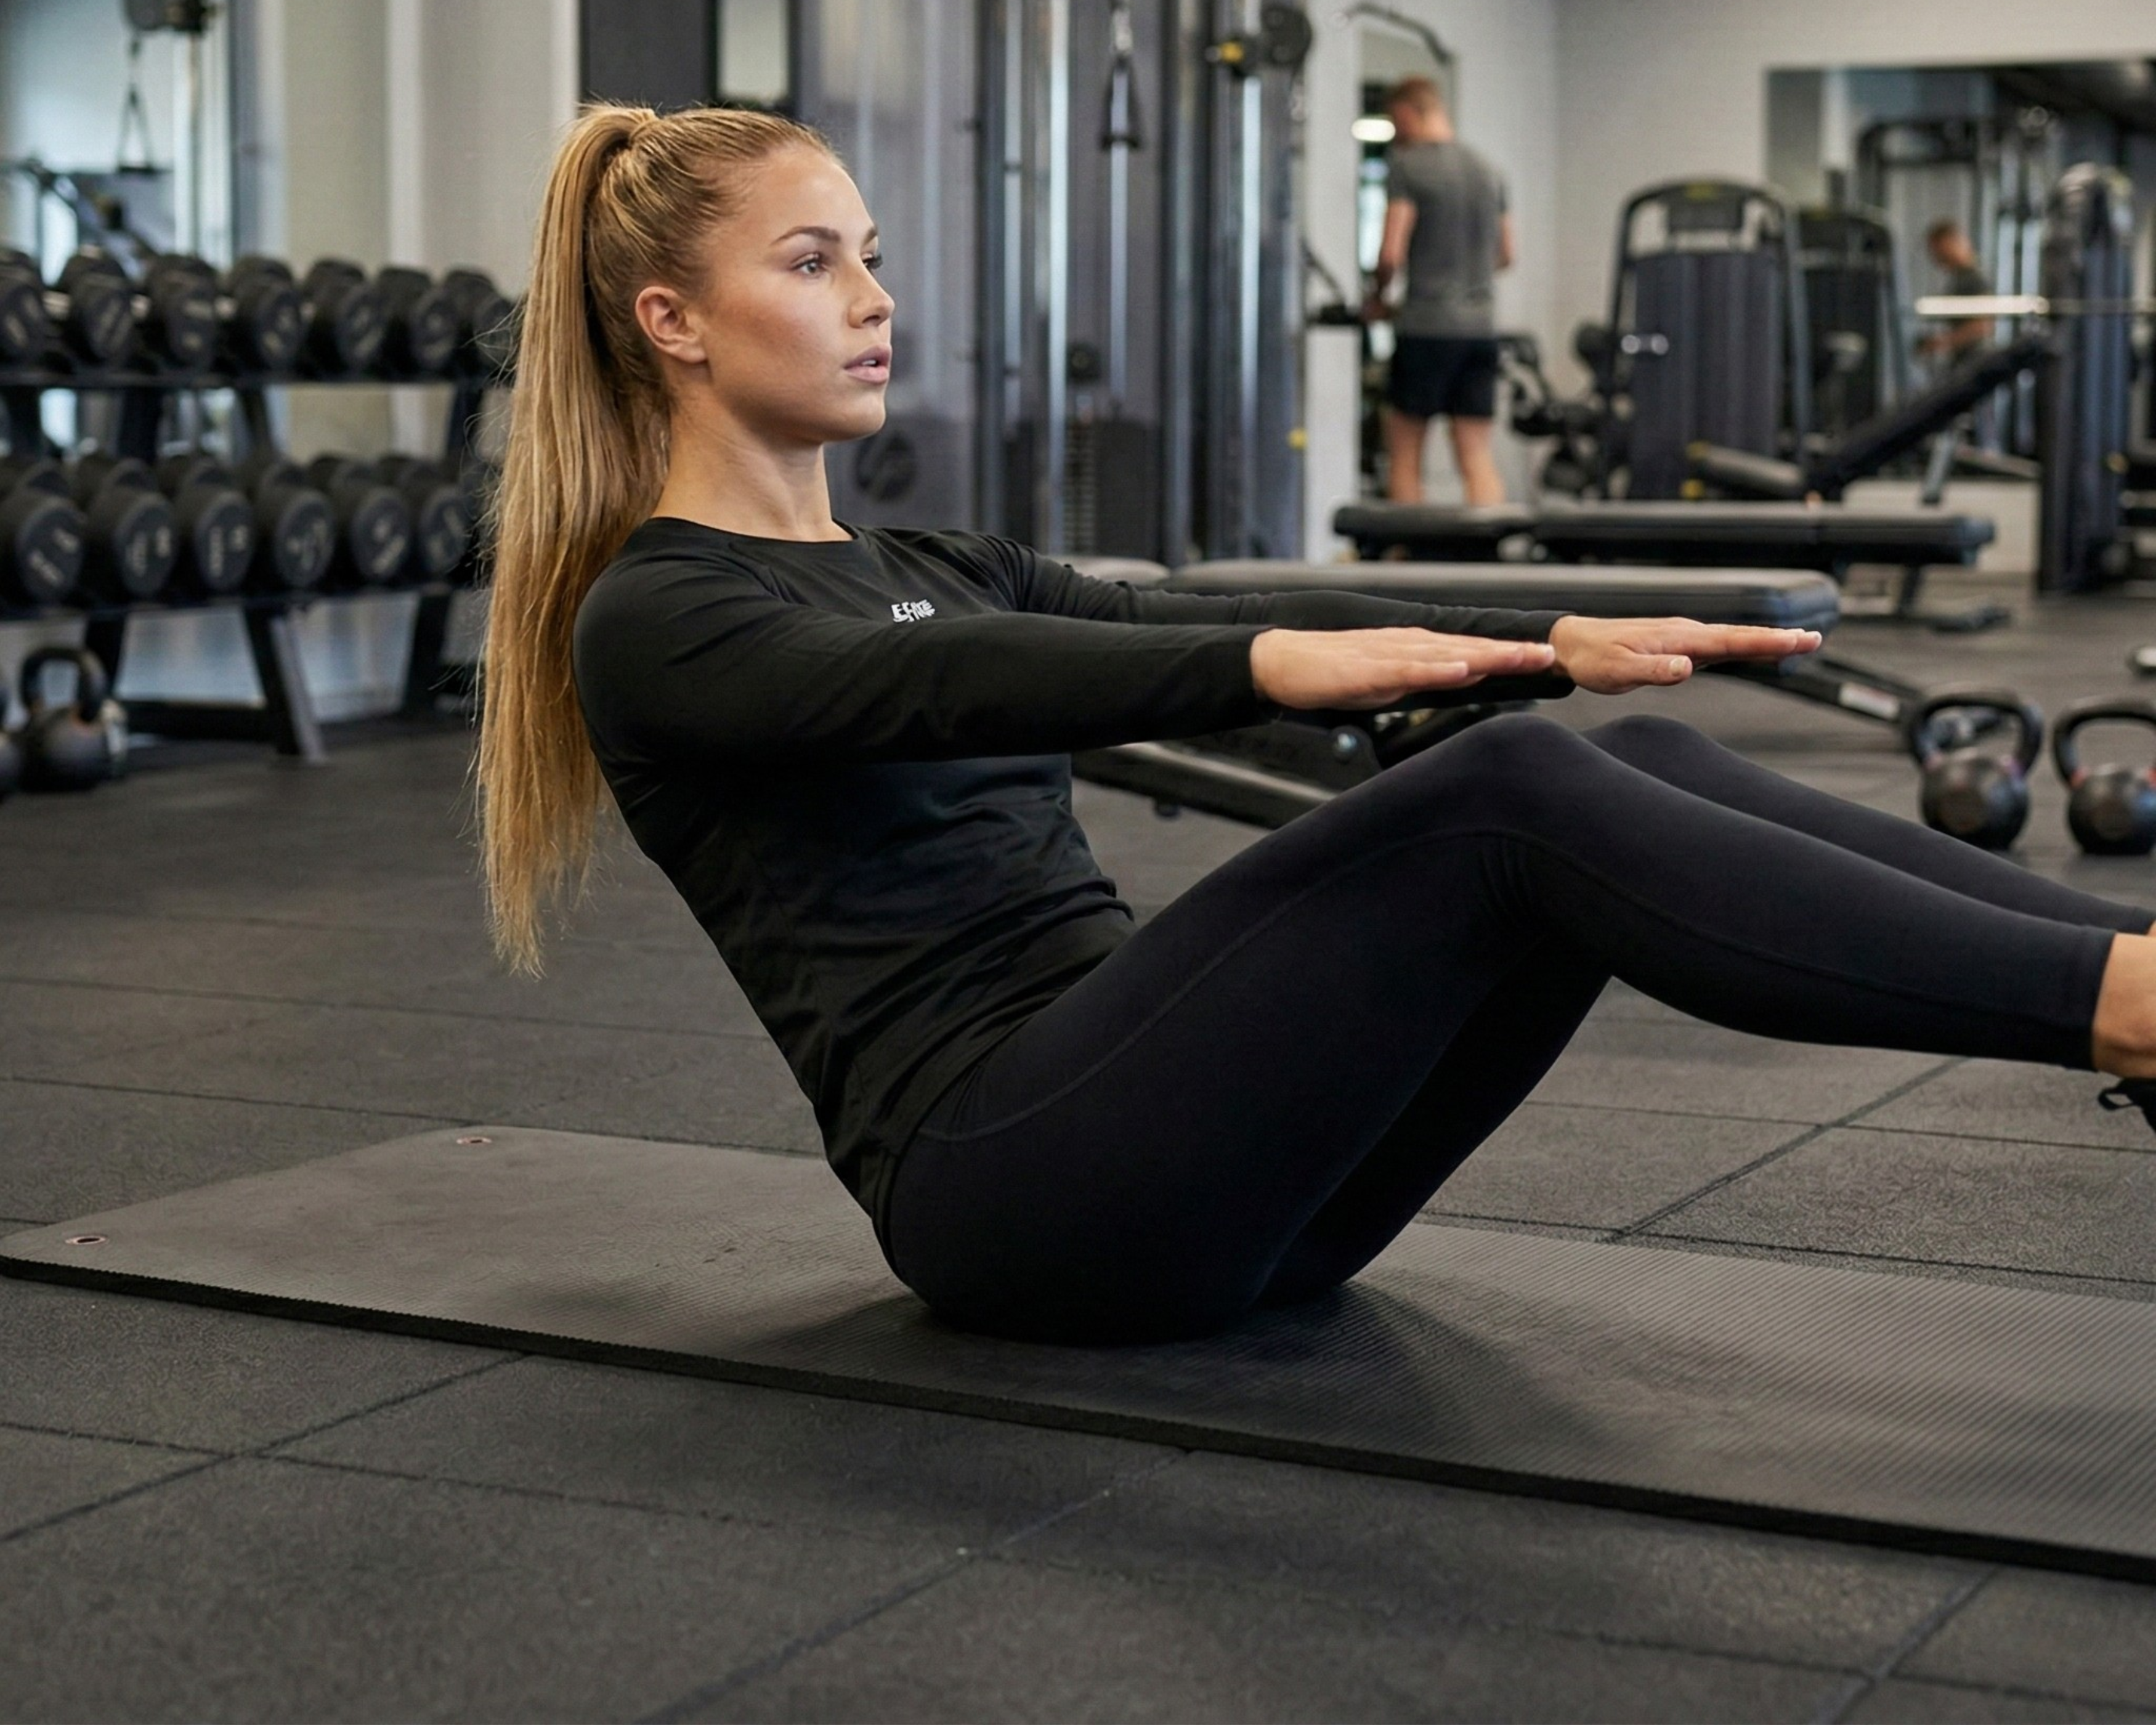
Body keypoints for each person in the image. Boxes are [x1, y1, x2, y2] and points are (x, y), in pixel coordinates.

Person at [477, 104, 2156, 1349]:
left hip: (1228, 1168)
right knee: (1499, 798)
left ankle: (2135, 962)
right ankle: (2124, 1006)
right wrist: (1270, 666)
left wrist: (1539, 639)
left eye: (870, 255)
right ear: (670, 322)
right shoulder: (656, 613)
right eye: (809, 259)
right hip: (1018, 1196)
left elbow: (1147, 616)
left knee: (1607, 754)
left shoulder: (938, 558)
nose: (868, 296)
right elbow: (952, 683)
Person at [1363, 76, 1512, 508]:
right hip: (1481, 330)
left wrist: (1378, 299)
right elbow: (1506, 254)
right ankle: (1489, 559)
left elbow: (1390, 254)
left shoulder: (1408, 167)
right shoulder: (1488, 169)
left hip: (1426, 328)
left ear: (1409, 112)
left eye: (1395, 122)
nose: (1396, 133)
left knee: (1406, 454)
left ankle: (1404, 560)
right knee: (1476, 455)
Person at [1920, 218, 1997, 371]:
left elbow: (1983, 325)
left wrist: (1944, 342)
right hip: (1963, 362)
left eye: (1938, 249)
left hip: (1975, 363)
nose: (1935, 256)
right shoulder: (1959, 278)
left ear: (1952, 242)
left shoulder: (1974, 279)